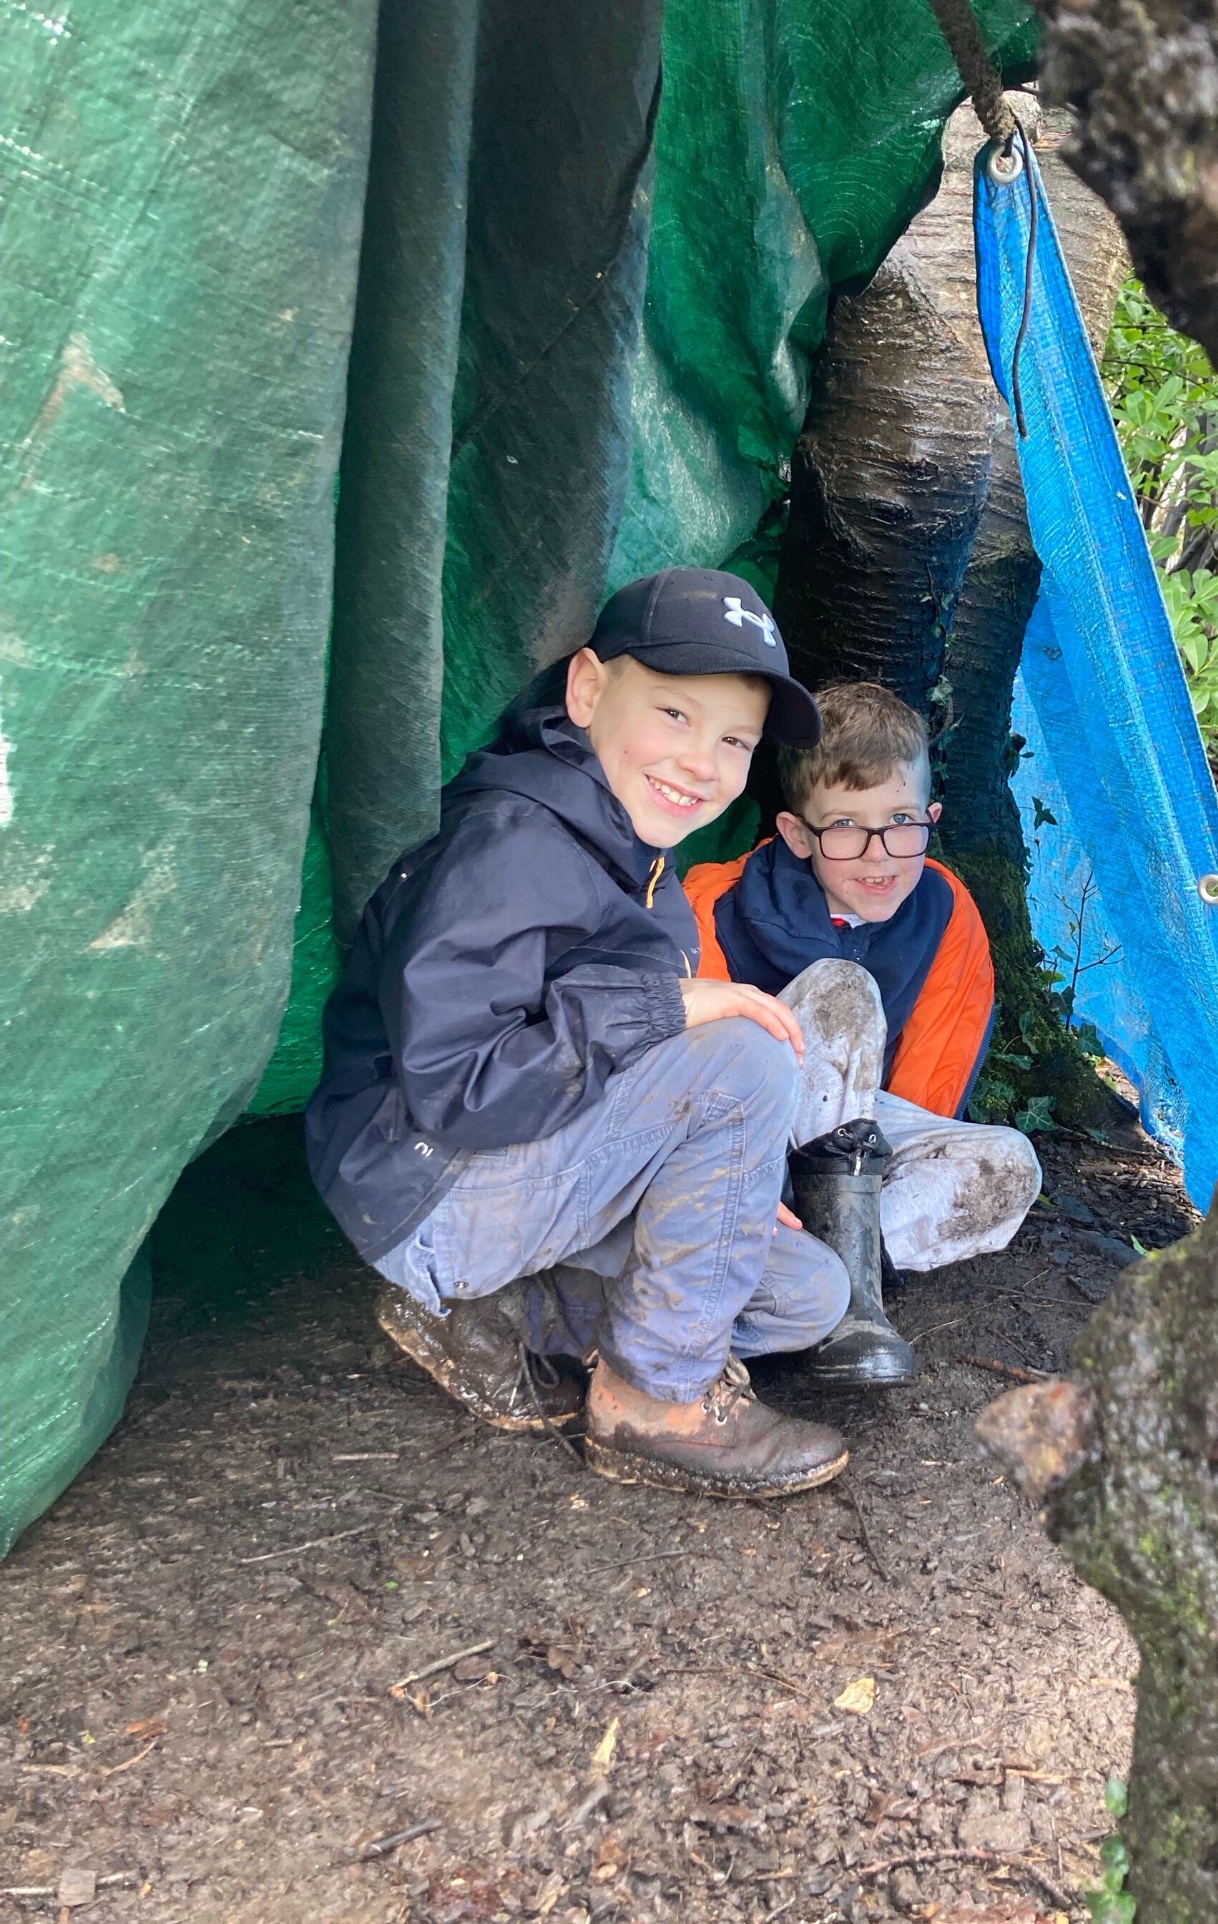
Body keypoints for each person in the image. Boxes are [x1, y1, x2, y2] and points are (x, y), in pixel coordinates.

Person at [305, 569, 853, 1499]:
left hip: (533, 1173)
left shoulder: (634, 851)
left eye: (733, 740)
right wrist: (662, 1013)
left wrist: (726, 1183)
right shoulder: (515, 841)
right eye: (674, 715)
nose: (701, 762)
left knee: (809, 1292)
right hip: (431, 1186)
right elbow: (460, 1088)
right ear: (589, 690)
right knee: (748, 1052)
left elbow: (634, 1084)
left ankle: (501, 1312)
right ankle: (654, 1400)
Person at [684, 680, 1042, 1386]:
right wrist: (753, 1182)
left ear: (931, 817)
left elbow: (932, 1074)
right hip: (750, 1135)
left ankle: (834, 1284)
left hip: (863, 1146)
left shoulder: (943, 906)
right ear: (796, 833)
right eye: (845, 826)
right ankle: (829, 1298)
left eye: (901, 821)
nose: (879, 855)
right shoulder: (718, 899)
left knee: (1010, 1165)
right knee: (843, 988)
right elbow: (696, 1076)